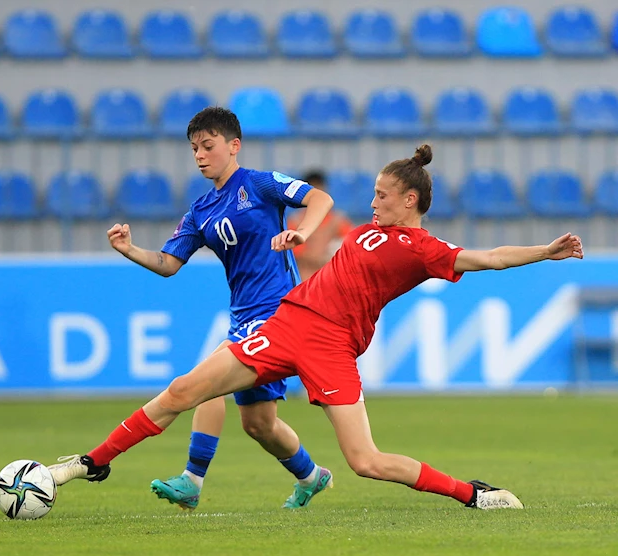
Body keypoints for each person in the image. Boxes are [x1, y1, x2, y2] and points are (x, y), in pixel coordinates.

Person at [50, 144, 584, 510]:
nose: (372, 202)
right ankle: (88, 464)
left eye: (381, 194)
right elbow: (319, 236)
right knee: (185, 390)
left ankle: (472, 494)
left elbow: (488, 257)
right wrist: (298, 238)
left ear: (410, 200)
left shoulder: (424, 249)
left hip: (332, 347)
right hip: (288, 323)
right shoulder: (365, 231)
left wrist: (545, 252)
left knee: (366, 462)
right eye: (373, 193)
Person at [50, 106, 336, 510]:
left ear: (234, 146)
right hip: (244, 318)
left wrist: (301, 232)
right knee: (259, 424)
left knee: (192, 387)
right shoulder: (201, 210)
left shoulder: (260, 184)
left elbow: (320, 198)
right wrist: (130, 250)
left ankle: (173, 476)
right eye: (194, 149)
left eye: (208, 145)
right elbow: (169, 264)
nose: (200, 155)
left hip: (278, 316)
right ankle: (312, 476)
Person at [287, 171, 354, 280]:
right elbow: (294, 251)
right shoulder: (296, 221)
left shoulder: (338, 220)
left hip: (332, 277)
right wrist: (318, 258)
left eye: (320, 188)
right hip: (304, 278)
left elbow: (350, 244)